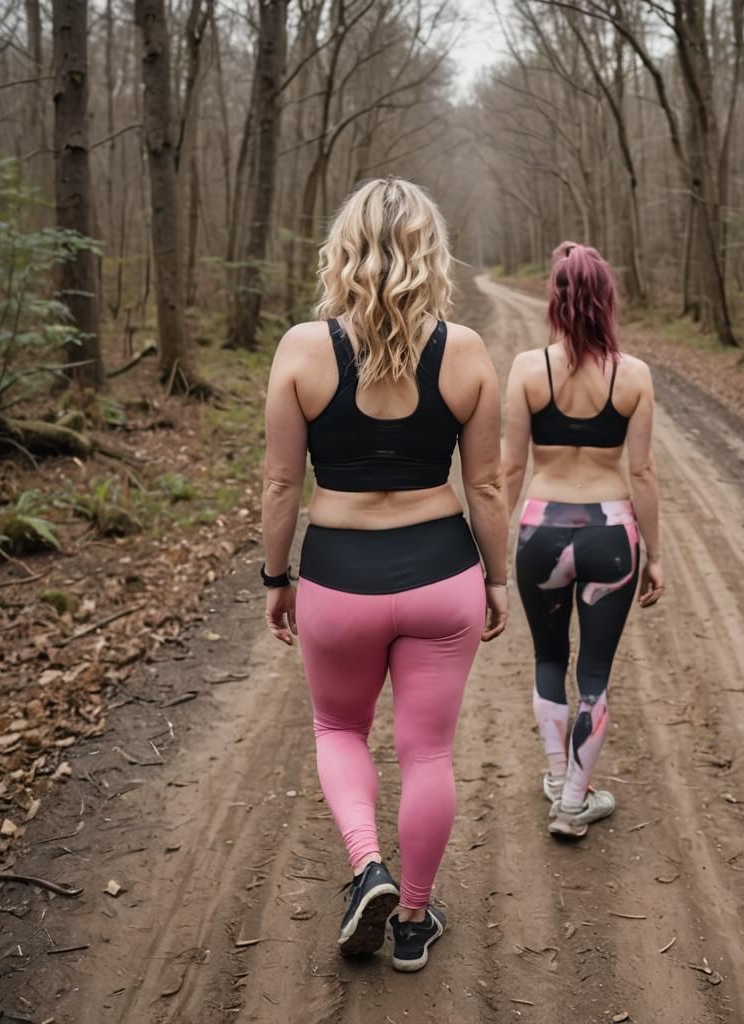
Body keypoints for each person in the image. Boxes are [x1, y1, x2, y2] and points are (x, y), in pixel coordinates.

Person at [260, 178, 508, 971]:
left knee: (339, 729)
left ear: (343, 251)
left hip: (339, 578)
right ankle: (412, 920)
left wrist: (275, 577)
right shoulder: (465, 352)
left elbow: (280, 484)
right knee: (428, 753)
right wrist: (497, 579)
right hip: (442, 572)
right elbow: (488, 486)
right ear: (430, 253)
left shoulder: (303, 349)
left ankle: (368, 866)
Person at [502, 241, 663, 839]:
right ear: (607, 300)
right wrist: (655, 555)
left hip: (541, 531)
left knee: (548, 658)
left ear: (555, 299)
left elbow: (509, 470)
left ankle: (555, 777)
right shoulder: (634, 375)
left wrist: (493, 550)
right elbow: (642, 472)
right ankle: (573, 803)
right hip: (610, 534)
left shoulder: (527, 369)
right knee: (594, 672)